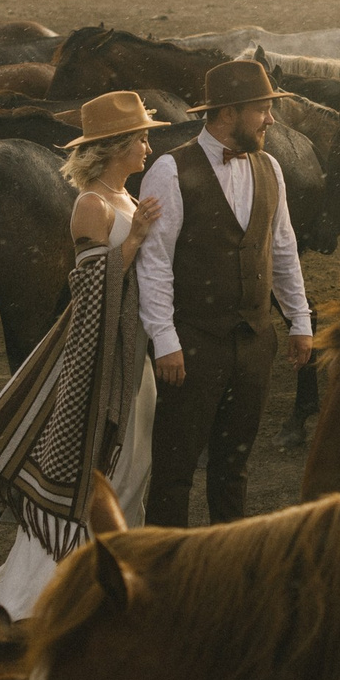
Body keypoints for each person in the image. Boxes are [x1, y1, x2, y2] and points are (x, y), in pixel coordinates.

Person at [0, 90, 166, 620]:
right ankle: (70, 580)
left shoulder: (128, 200)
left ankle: (112, 570)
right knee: (103, 467)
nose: (147, 145)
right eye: (140, 137)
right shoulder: (91, 206)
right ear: (115, 147)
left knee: (136, 464)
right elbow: (91, 290)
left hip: (132, 351)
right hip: (101, 357)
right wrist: (136, 241)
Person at [135, 58, 313, 526]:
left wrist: (300, 321)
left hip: (255, 342)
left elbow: (284, 249)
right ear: (230, 112)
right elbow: (153, 264)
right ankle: (162, 570)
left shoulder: (270, 167)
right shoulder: (169, 170)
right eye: (262, 109)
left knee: (233, 468)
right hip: (192, 346)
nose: (271, 119)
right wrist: (166, 340)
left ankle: (225, 566)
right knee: (174, 470)